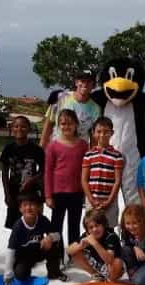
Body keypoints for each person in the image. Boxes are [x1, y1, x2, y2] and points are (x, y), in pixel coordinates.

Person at [44, 109, 89, 261]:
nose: (66, 126)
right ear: (58, 125)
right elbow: (48, 171)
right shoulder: (53, 146)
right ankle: (56, 255)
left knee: (74, 225)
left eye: (70, 123)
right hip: (58, 193)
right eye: (63, 123)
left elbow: (86, 170)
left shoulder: (83, 145)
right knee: (56, 226)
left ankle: (73, 254)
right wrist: (48, 195)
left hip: (76, 192)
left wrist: (85, 192)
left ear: (76, 124)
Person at [3, 192, 67, 285]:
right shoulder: (18, 226)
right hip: (23, 256)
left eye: (32, 204)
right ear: (20, 209)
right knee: (20, 275)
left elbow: (58, 235)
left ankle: (54, 272)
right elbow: (10, 250)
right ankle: (25, 270)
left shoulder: (42, 220)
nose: (28, 208)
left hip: (38, 251)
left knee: (53, 244)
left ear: (38, 207)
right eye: (25, 205)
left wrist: (50, 237)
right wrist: (8, 272)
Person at [1, 115, 44, 229]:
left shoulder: (36, 149)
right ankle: (16, 246)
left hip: (31, 192)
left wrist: (32, 180)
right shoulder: (8, 149)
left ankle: (34, 245)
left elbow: (44, 170)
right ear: (12, 129)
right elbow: (4, 173)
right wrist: (7, 194)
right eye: (16, 126)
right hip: (14, 191)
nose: (19, 129)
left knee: (33, 221)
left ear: (29, 129)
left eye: (23, 126)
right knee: (16, 224)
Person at [40, 71, 101, 148]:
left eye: (89, 81)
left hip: (79, 152)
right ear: (76, 82)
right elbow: (48, 124)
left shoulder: (96, 108)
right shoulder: (60, 98)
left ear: (93, 85)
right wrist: (41, 148)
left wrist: (93, 155)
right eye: (82, 81)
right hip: (56, 149)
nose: (85, 84)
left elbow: (94, 136)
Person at [81, 116, 123, 228]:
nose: (102, 134)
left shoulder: (117, 156)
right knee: (92, 228)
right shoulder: (88, 154)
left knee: (108, 228)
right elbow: (84, 180)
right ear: (93, 133)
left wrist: (109, 201)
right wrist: (91, 199)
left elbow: (117, 181)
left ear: (112, 133)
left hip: (110, 202)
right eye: (99, 131)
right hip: (92, 201)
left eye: (106, 132)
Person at [66, 209, 123, 282]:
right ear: (87, 230)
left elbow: (109, 260)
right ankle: (97, 276)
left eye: (97, 225)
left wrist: (95, 243)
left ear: (103, 225)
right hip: (100, 265)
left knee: (117, 262)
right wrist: (80, 246)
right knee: (75, 253)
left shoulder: (111, 236)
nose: (94, 229)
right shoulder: (88, 235)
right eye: (91, 227)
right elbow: (68, 250)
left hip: (112, 267)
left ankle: (111, 281)